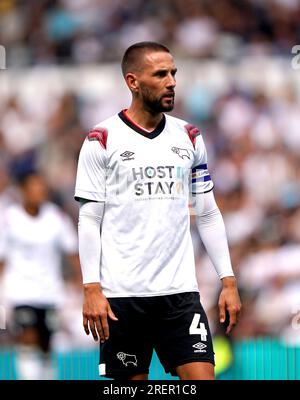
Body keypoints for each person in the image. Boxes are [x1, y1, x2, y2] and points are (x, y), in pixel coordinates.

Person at [74, 41, 242, 380]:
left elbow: (207, 213)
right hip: (123, 297)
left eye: (174, 73)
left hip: (180, 295)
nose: (172, 82)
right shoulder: (101, 140)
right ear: (133, 82)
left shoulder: (189, 137)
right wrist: (91, 288)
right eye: (160, 74)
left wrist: (228, 280)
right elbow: (90, 219)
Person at [0, 171, 81, 379]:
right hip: (20, 292)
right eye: (34, 186)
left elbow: (73, 252)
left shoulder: (56, 217)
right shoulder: (9, 218)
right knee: (28, 338)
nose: (39, 191)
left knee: (46, 344)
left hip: (50, 292)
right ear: (24, 190)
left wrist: (84, 284)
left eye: (42, 187)